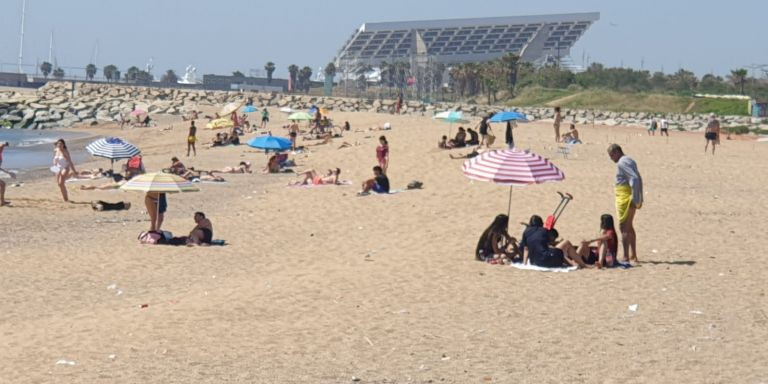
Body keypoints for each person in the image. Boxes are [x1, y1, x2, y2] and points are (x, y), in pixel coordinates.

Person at [607, 144, 643, 263]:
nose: (611, 158)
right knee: (629, 226)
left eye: (612, 155)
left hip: (626, 197)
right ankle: (633, 255)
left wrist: (635, 197)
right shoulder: (629, 160)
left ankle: (626, 256)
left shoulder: (622, 162)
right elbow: (638, 177)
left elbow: (635, 178)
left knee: (623, 228)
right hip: (627, 195)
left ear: (617, 152)